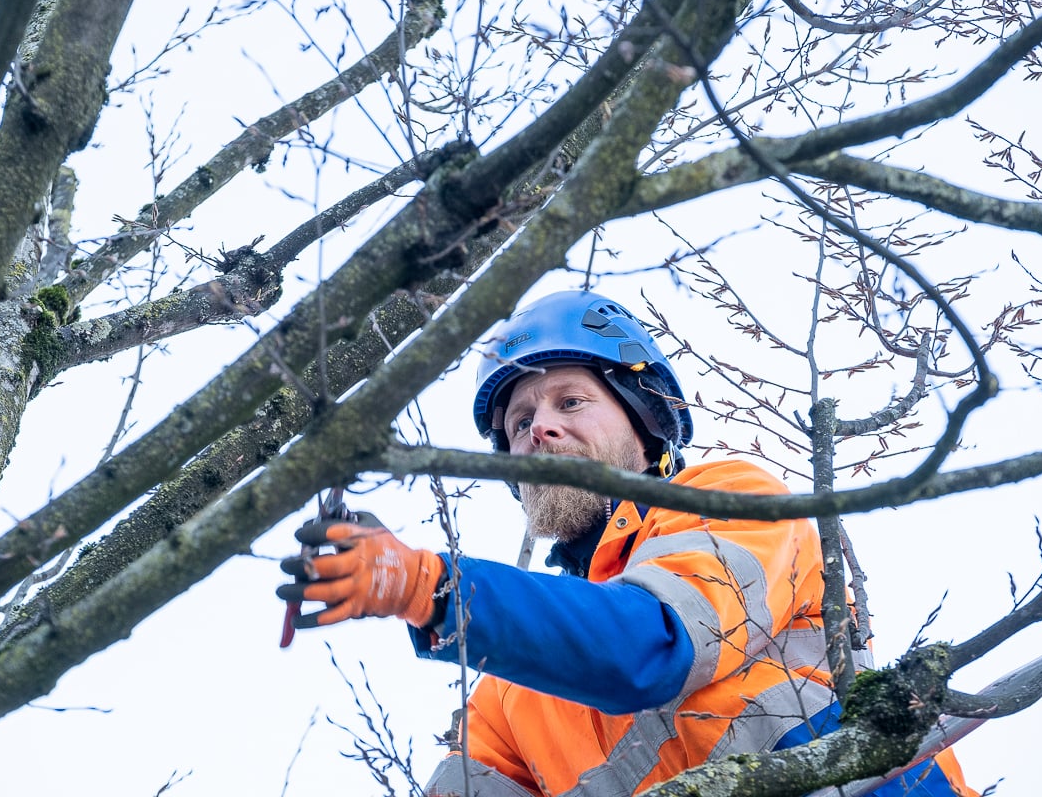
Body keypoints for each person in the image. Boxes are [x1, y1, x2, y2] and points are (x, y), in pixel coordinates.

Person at [277, 290, 975, 797]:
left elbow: (649, 645)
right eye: (519, 421)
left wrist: (426, 586)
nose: (538, 429)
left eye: (569, 401)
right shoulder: (508, 695)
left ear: (644, 420)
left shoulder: (734, 500)